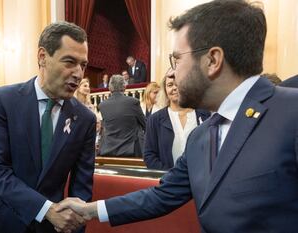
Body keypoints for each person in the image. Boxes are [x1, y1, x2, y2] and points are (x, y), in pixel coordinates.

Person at [56, 1, 298, 232]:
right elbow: (161, 195)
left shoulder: (291, 113)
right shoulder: (200, 137)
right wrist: (90, 210)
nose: (172, 71)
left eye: (177, 59)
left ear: (212, 60)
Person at [0, 21, 96, 233]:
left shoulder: (85, 119)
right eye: (69, 62)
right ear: (43, 57)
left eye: (83, 65)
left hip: (48, 228)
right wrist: (46, 209)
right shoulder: (2, 100)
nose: (78, 74)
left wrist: (72, 225)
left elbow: (81, 188)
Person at [144, 69, 209, 170]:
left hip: (200, 181)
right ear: (165, 90)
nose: (174, 88)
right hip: (168, 181)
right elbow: (149, 155)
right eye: (170, 85)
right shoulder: (155, 120)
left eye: (179, 83)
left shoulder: (205, 115)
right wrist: (169, 176)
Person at [98, 75, 145, 157]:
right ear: (124, 87)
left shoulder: (102, 105)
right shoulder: (133, 102)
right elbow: (145, 124)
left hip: (108, 152)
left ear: (109, 88)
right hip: (131, 152)